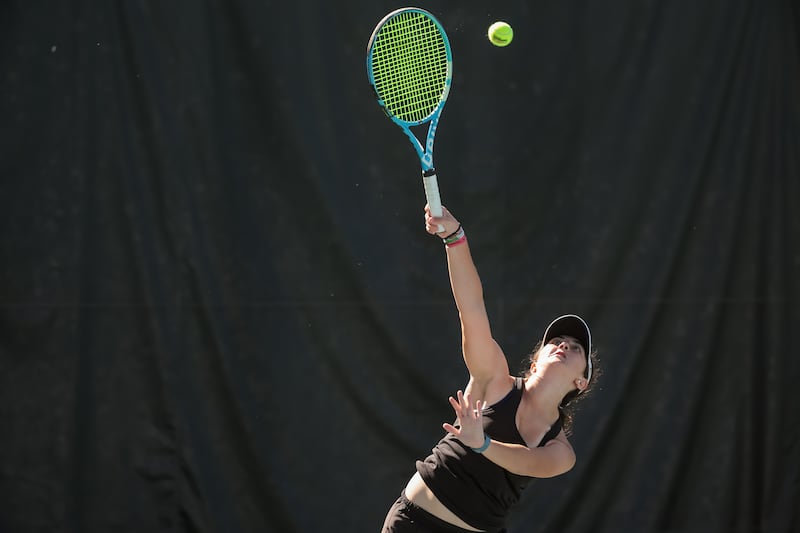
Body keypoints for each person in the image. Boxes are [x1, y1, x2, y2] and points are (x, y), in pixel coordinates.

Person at [381, 205, 600, 533]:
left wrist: (481, 442)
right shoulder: (494, 379)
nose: (564, 345)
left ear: (581, 381)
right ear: (536, 359)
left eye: (576, 347)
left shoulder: (560, 452)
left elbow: (526, 461)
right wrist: (455, 238)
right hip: (415, 522)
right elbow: (470, 308)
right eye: (556, 341)